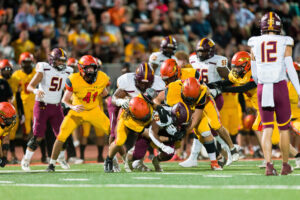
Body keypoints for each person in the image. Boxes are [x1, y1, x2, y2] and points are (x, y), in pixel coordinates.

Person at [248, 12, 300, 176]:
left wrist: (262, 83)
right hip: (280, 87)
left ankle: (269, 165)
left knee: (267, 129)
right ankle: (285, 165)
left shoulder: (254, 42)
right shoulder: (285, 41)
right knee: (284, 129)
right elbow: (290, 68)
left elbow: (254, 73)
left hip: (263, 88)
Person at [46, 55, 110, 172]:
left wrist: (114, 103)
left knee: (113, 132)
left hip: (93, 110)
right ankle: (51, 164)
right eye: (88, 68)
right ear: (81, 68)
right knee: (61, 136)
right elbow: (64, 100)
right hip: (77, 112)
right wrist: (72, 106)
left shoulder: (102, 77)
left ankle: (116, 159)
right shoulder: (73, 79)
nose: (91, 70)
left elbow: (106, 95)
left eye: (93, 68)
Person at [21, 48, 73, 171]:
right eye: (59, 61)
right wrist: (36, 90)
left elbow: (68, 89)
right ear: (52, 60)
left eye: (63, 61)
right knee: (38, 136)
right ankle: (26, 160)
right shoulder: (44, 68)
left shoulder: (68, 71)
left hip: (56, 107)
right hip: (42, 106)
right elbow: (30, 86)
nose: (62, 63)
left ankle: (61, 159)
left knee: (62, 135)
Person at [126, 102, 191, 172]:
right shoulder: (161, 115)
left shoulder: (182, 117)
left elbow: (187, 124)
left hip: (162, 133)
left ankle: (156, 161)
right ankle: (128, 161)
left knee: (169, 153)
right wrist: (164, 146)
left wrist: (179, 134)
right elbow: (151, 134)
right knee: (138, 154)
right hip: (149, 132)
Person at [104, 96, 153, 173]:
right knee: (120, 140)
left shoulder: (145, 101)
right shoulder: (129, 119)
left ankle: (137, 162)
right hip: (125, 121)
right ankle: (109, 159)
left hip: (138, 112)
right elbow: (148, 134)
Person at [0, 59, 19, 163]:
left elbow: (12, 97)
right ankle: (2, 158)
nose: (7, 71)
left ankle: (4, 158)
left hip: (6, 113)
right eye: (5, 69)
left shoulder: (5, 82)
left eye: (8, 69)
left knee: (7, 135)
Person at [0, 102, 17, 168]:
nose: (11, 120)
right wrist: (1, 157)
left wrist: (4, 157)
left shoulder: (10, 124)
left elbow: (6, 137)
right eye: (9, 119)